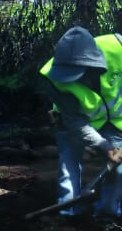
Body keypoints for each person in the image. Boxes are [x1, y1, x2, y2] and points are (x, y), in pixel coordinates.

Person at [40, 26, 122, 218]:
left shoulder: (118, 49)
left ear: (92, 65)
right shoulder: (54, 77)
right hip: (72, 121)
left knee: (119, 169)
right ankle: (68, 211)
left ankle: (107, 212)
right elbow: (75, 122)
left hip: (115, 121)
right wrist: (105, 147)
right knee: (69, 162)